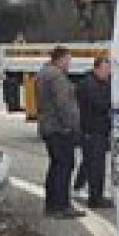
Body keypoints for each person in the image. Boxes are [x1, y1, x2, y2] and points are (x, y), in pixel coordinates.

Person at [35, 46, 85, 218]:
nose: (69, 64)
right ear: (61, 59)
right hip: (59, 129)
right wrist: (70, 126)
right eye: (68, 60)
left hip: (48, 126)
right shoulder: (57, 76)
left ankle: (51, 205)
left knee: (56, 165)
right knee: (64, 166)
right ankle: (62, 206)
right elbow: (63, 104)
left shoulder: (43, 73)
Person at [74, 55, 114, 208]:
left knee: (92, 163)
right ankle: (95, 198)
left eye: (109, 70)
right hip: (92, 130)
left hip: (100, 130)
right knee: (96, 166)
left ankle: (85, 188)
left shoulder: (102, 82)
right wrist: (112, 102)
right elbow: (99, 104)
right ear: (97, 68)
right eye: (105, 69)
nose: (108, 73)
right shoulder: (88, 85)